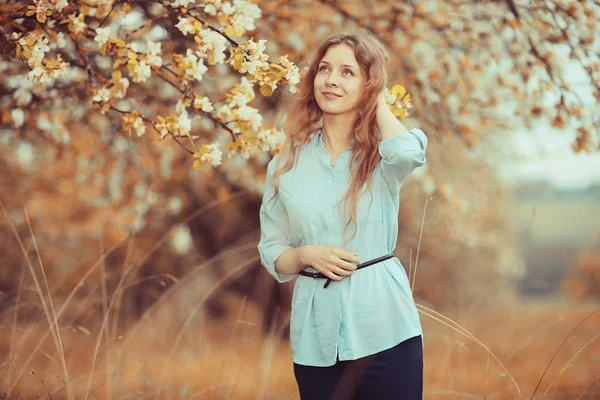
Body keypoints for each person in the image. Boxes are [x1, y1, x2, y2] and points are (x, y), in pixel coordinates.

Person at [257, 30, 428, 400]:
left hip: (385, 329)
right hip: (315, 339)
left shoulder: (383, 156)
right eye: (324, 69)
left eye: (348, 72)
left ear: (368, 84)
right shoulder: (285, 165)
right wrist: (305, 255)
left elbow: (410, 153)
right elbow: (272, 250)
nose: (332, 80)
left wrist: (377, 98)